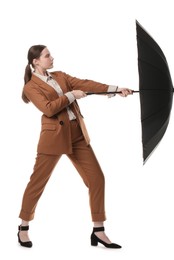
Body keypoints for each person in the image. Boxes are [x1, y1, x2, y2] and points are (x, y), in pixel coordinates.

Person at [18, 45, 132, 249]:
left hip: (77, 135)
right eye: (47, 56)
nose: (51, 58)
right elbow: (48, 109)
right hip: (54, 138)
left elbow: (86, 84)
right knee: (37, 183)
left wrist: (116, 89)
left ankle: (99, 231)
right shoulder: (31, 87)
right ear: (36, 61)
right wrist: (72, 95)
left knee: (97, 178)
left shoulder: (60, 76)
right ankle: (23, 227)